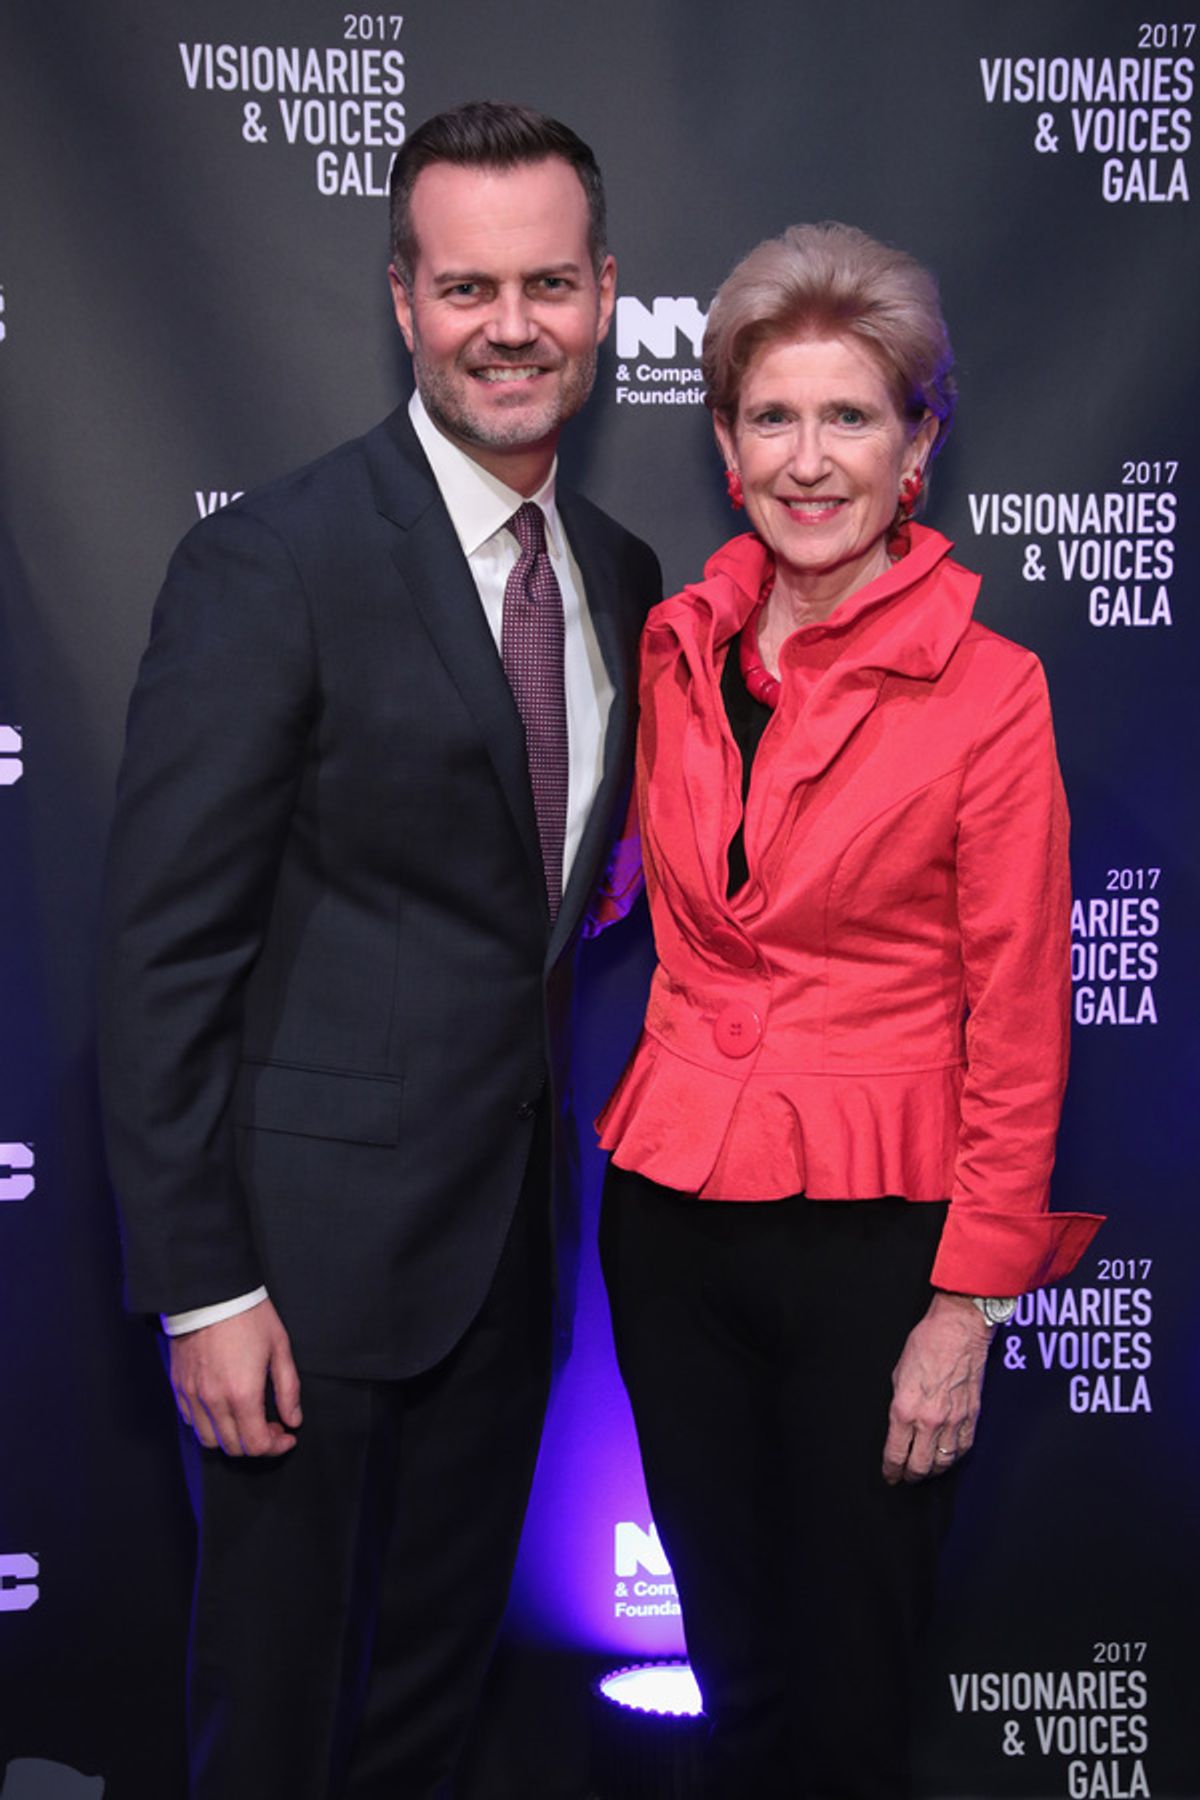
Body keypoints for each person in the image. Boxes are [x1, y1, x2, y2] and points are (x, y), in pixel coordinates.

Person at [98, 100, 659, 1800]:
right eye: (469, 286)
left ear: (607, 296)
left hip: (504, 1270)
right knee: (273, 1728)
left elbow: (534, 890)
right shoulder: (272, 559)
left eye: (548, 285)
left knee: (426, 1715)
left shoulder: (623, 576)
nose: (512, 327)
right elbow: (163, 953)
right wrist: (207, 1287)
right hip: (296, 1280)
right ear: (403, 300)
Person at [596, 222, 1103, 1800]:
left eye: (851, 417)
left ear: (918, 444)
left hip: (883, 1240)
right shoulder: (675, 647)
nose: (809, 460)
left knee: (851, 1689)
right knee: (734, 1670)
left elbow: (1019, 1015)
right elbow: (611, 883)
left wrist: (964, 1313)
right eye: (771, 418)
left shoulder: (990, 688)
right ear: (727, 448)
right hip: (669, 1220)